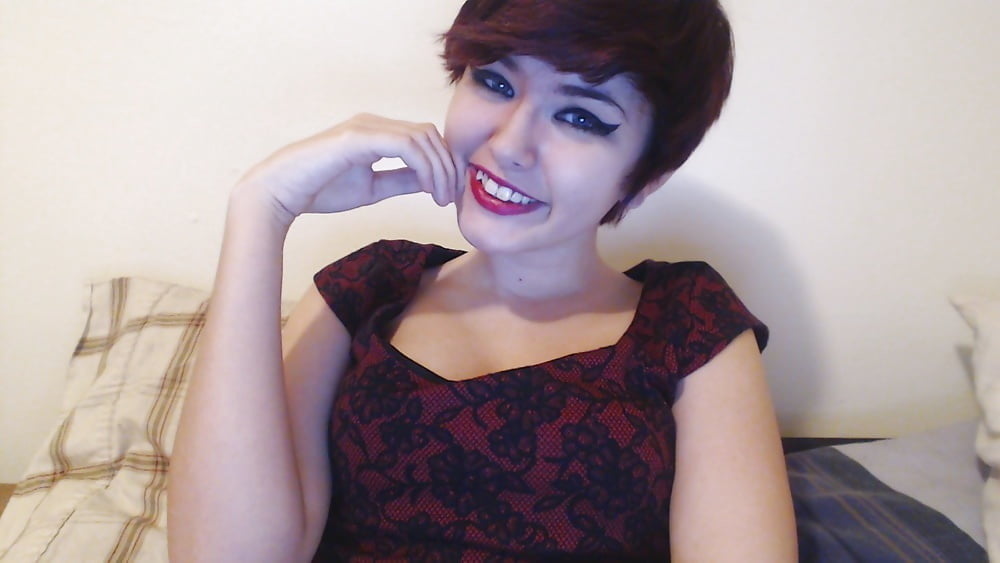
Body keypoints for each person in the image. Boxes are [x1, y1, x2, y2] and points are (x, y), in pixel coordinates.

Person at [167, 0, 797, 560]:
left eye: (579, 117)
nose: (510, 144)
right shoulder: (367, 289)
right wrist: (262, 209)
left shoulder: (688, 325)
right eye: (495, 82)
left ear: (645, 176)